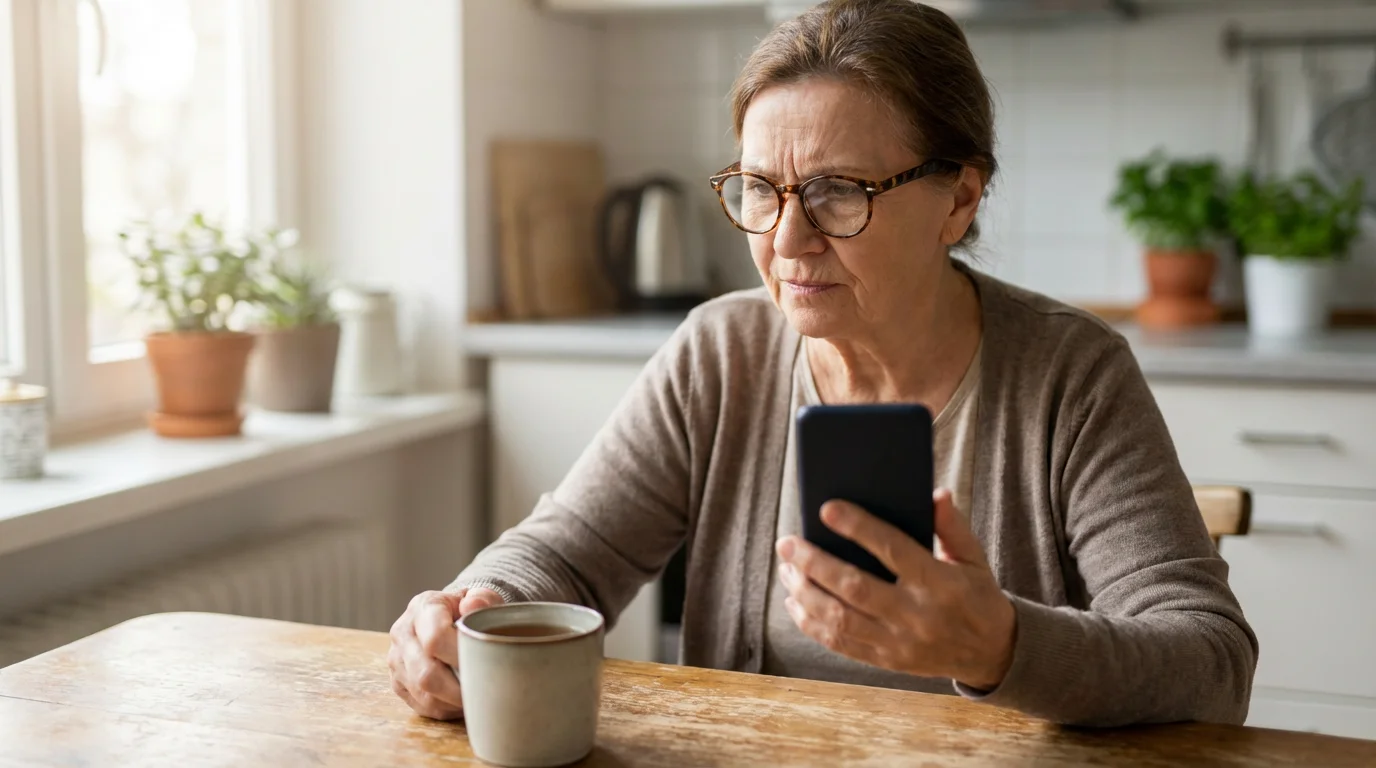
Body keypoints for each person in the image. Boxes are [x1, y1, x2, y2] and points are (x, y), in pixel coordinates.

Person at [389, 0, 1257, 727]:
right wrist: (472, 607)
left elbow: (1213, 664)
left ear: (958, 197)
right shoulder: (720, 353)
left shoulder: (1071, 376)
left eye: (840, 191)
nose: (787, 241)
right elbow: (566, 556)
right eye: (762, 190)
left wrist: (1001, 646)